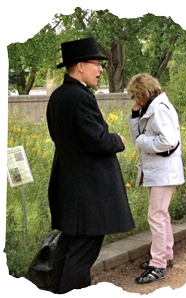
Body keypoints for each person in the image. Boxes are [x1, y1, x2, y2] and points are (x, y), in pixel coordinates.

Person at [46, 37, 135, 294]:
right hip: (88, 192)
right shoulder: (80, 97)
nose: (100, 70)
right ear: (80, 65)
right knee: (82, 252)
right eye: (96, 64)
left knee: (68, 246)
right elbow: (96, 141)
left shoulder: (58, 97)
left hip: (69, 184)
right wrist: (116, 140)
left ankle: (58, 291)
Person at [127, 73, 185, 284]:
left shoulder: (159, 108)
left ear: (144, 93)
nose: (135, 100)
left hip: (163, 172)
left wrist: (143, 141)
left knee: (157, 216)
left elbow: (168, 140)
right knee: (161, 215)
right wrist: (135, 117)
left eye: (136, 96)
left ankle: (158, 264)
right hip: (158, 171)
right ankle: (165, 256)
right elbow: (138, 139)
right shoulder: (153, 107)